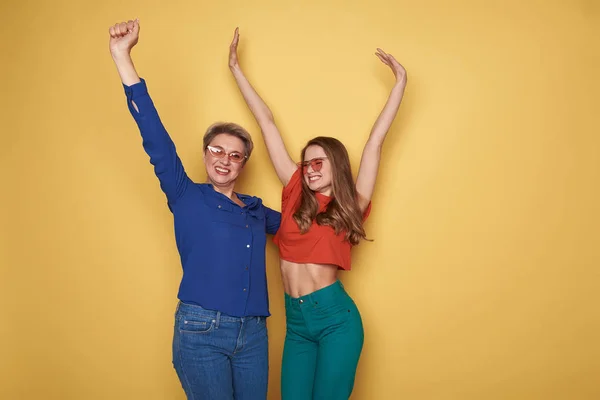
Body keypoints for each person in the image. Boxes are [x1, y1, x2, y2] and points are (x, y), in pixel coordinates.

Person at [228, 28, 407, 399]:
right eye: (306, 162)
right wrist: (235, 69)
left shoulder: (350, 206)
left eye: (318, 162)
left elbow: (375, 143)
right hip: (296, 324)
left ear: (335, 165)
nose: (309, 168)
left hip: (335, 320)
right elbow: (267, 122)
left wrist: (400, 84)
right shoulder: (294, 192)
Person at [108, 20, 280, 400]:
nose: (224, 160)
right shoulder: (186, 194)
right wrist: (123, 57)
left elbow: (303, 231)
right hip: (201, 330)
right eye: (217, 150)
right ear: (204, 154)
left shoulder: (256, 210)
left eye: (235, 155)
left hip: (254, 335)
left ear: (243, 164)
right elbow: (153, 133)